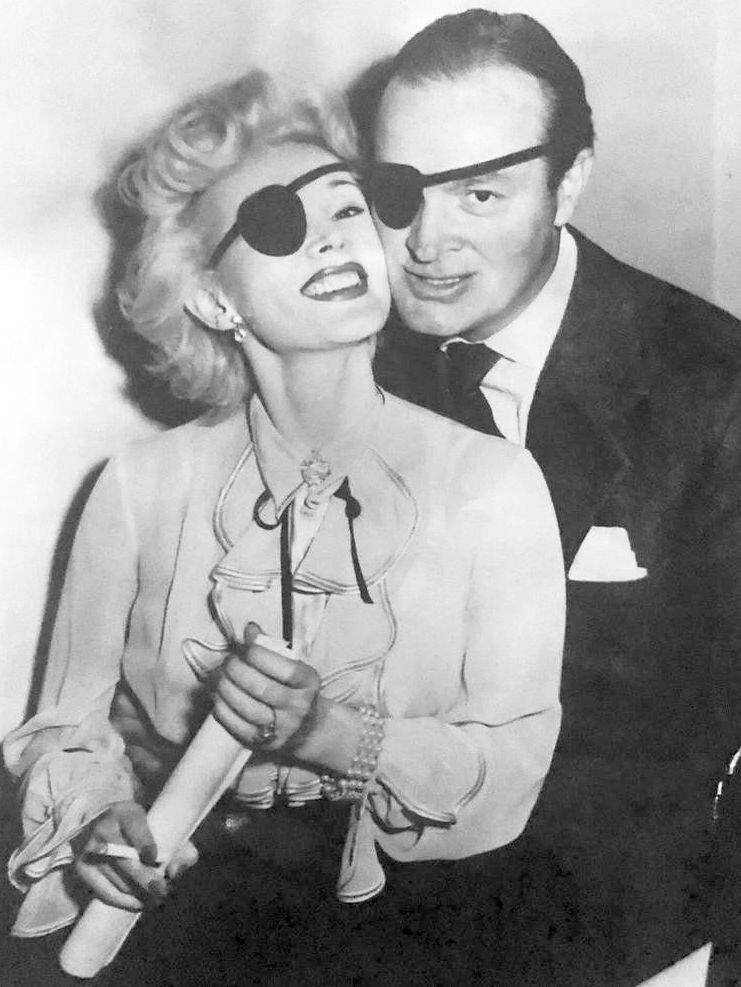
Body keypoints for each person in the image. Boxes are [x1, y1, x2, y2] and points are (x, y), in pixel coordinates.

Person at [1, 71, 564, 986]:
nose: (333, 238)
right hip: (179, 924)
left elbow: (511, 766)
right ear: (213, 300)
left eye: (347, 209)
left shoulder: (493, 483)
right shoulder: (138, 487)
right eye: (276, 224)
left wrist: (329, 734)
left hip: (418, 930)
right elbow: (66, 727)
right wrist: (103, 820)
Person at [368, 8, 741, 985]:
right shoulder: (344, 358)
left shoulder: (715, 388)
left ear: (568, 183)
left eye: (480, 194)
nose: (425, 243)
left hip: (633, 934)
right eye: (399, 192)